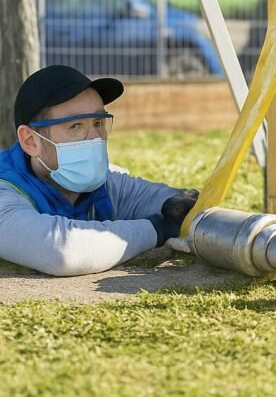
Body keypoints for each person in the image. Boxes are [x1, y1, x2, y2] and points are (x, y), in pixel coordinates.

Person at [0, 65, 199, 276]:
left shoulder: (106, 184)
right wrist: (158, 229)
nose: (96, 137)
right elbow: (62, 252)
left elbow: (182, 207)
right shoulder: (5, 193)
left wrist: (185, 211)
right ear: (31, 141)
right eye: (76, 126)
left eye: (98, 122)